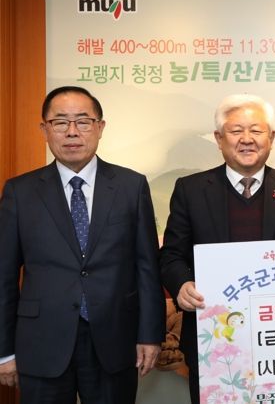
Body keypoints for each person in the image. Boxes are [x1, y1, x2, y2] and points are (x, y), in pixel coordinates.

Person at [0, 86, 166, 403]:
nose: (72, 131)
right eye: (60, 122)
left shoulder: (131, 186)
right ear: (44, 130)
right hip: (41, 342)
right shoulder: (20, 192)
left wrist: (150, 335)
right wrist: (4, 350)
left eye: (83, 121)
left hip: (114, 340)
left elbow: (147, 266)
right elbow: (4, 276)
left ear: (100, 127)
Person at [159, 94, 275, 404]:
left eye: (256, 130)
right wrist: (182, 284)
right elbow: (171, 254)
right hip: (212, 336)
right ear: (219, 139)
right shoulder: (191, 190)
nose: (247, 139)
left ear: (271, 138)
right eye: (236, 131)